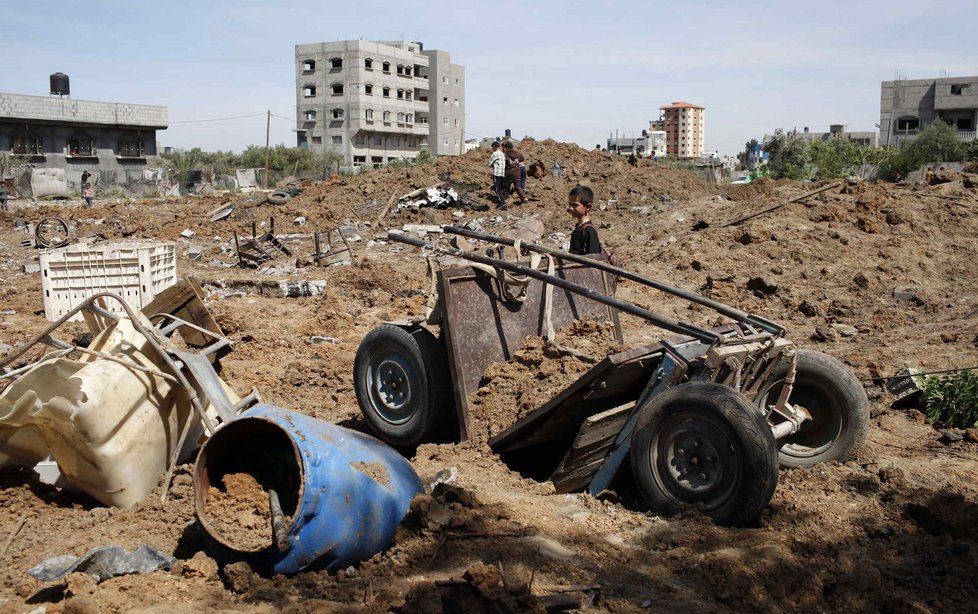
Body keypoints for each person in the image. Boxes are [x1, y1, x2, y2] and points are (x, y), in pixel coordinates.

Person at [567, 185, 601, 255]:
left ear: (588, 207)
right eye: (570, 204)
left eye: (575, 205)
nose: (570, 208)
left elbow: (595, 259)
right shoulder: (579, 228)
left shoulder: (589, 231)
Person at [487, 141, 507, 209]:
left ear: (494, 147)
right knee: (501, 189)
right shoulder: (502, 154)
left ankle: (502, 203)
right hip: (502, 173)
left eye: (492, 148)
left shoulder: (495, 154)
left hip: (497, 173)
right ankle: (501, 201)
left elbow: (489, 164)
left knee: (497, 189)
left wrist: (493, 164)